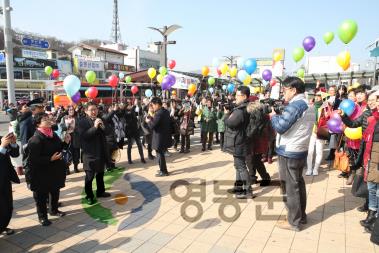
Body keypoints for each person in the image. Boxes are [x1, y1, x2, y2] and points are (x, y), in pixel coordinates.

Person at [270, 77, 314, 231]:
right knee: (298, 184)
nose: (283, 92)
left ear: (294, 90)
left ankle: (293, 221)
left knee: (290, 187)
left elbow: (281, 127)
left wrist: (273, 116)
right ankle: (300, 216)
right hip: (300, 149)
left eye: (285, 89)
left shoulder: (296, 106)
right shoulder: (308, 105)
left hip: (289, 151)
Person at [25, 112, 69, 226]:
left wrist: (66, 142)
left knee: (55, 191)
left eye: (48, 118)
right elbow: (33, 160)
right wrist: (50, 158)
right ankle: (42, 217)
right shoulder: (36, 139)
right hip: (41, 173)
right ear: (38, 124)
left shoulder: (53, 134)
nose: (49, 120)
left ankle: (54, 210)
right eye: (45, 119)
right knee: (41, 196)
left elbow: (59, 148)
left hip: (54, 170)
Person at [77, 102, 111, 205]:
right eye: (91, 109)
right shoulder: (82, 122)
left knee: (100, 173)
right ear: (86, 111)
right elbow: (84, 136)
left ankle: (100, 191)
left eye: (95, 109)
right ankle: (89, 195)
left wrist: (103, 126)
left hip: (101, 152)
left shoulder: (101, 119)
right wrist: (95, 127)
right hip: (89, 154)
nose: (94, 111)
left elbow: (109, 132)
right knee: (89, 177)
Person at [224, 86, 252, 199]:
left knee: (241, 166)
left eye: (237, 95)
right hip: (241, 140)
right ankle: (238, 188)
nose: (235, 97)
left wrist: (226, 114)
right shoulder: (244, 107)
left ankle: (248, 190)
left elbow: (230, 123)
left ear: (244, 96)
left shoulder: (241, 111)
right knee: (238, 165)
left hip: (239, 141)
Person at [360, 93, 379, 233]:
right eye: (370, 100)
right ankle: (371, 214)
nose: (371, 103)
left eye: (374, 100)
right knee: (372, 187)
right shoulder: (372, 118)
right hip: (372, 155)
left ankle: (375, 218)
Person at [306, 92, 331, 176]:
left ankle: (315, 168)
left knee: (319, 151)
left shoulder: (326, 108)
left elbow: (328, 120)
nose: (316, 98)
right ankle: (309, 168)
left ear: (322, 98)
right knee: (310, 151)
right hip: (311, 132)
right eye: (316, 96)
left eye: (319, 97)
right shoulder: (310, 107)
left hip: (320, 131)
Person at [146, 97, 171, 177]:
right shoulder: (165, 111)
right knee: (160, 154)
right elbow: (158, 122)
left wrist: (148, 121)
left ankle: (163, 171)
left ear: (157, 104)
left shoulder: (159, 113)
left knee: (159, 154)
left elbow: (152, 125)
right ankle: (162, 169)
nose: (152, 107)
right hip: (164, 136)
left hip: (159, 137)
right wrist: (152, 118)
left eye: (153, 105)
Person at [0, 133, 19, 235]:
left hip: (5, 179)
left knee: (8, 206)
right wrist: (2, 147)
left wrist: (13, 143)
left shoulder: (2, 139)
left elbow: (15, 154)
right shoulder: (2, 143)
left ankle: (2, 226)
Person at [59, 106, 80, 174]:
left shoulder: (77, 118)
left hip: (75, 137)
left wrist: (75, 128)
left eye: (72, 110)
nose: (71, 111)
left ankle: (76, 167)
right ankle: (67, 169)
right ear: (67, 111)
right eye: (70, 110)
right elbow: (62, 127)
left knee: (76, 152)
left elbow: (79, 127)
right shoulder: (64, 118)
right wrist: (67, 125)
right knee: (67, 153)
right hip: (67, 137)